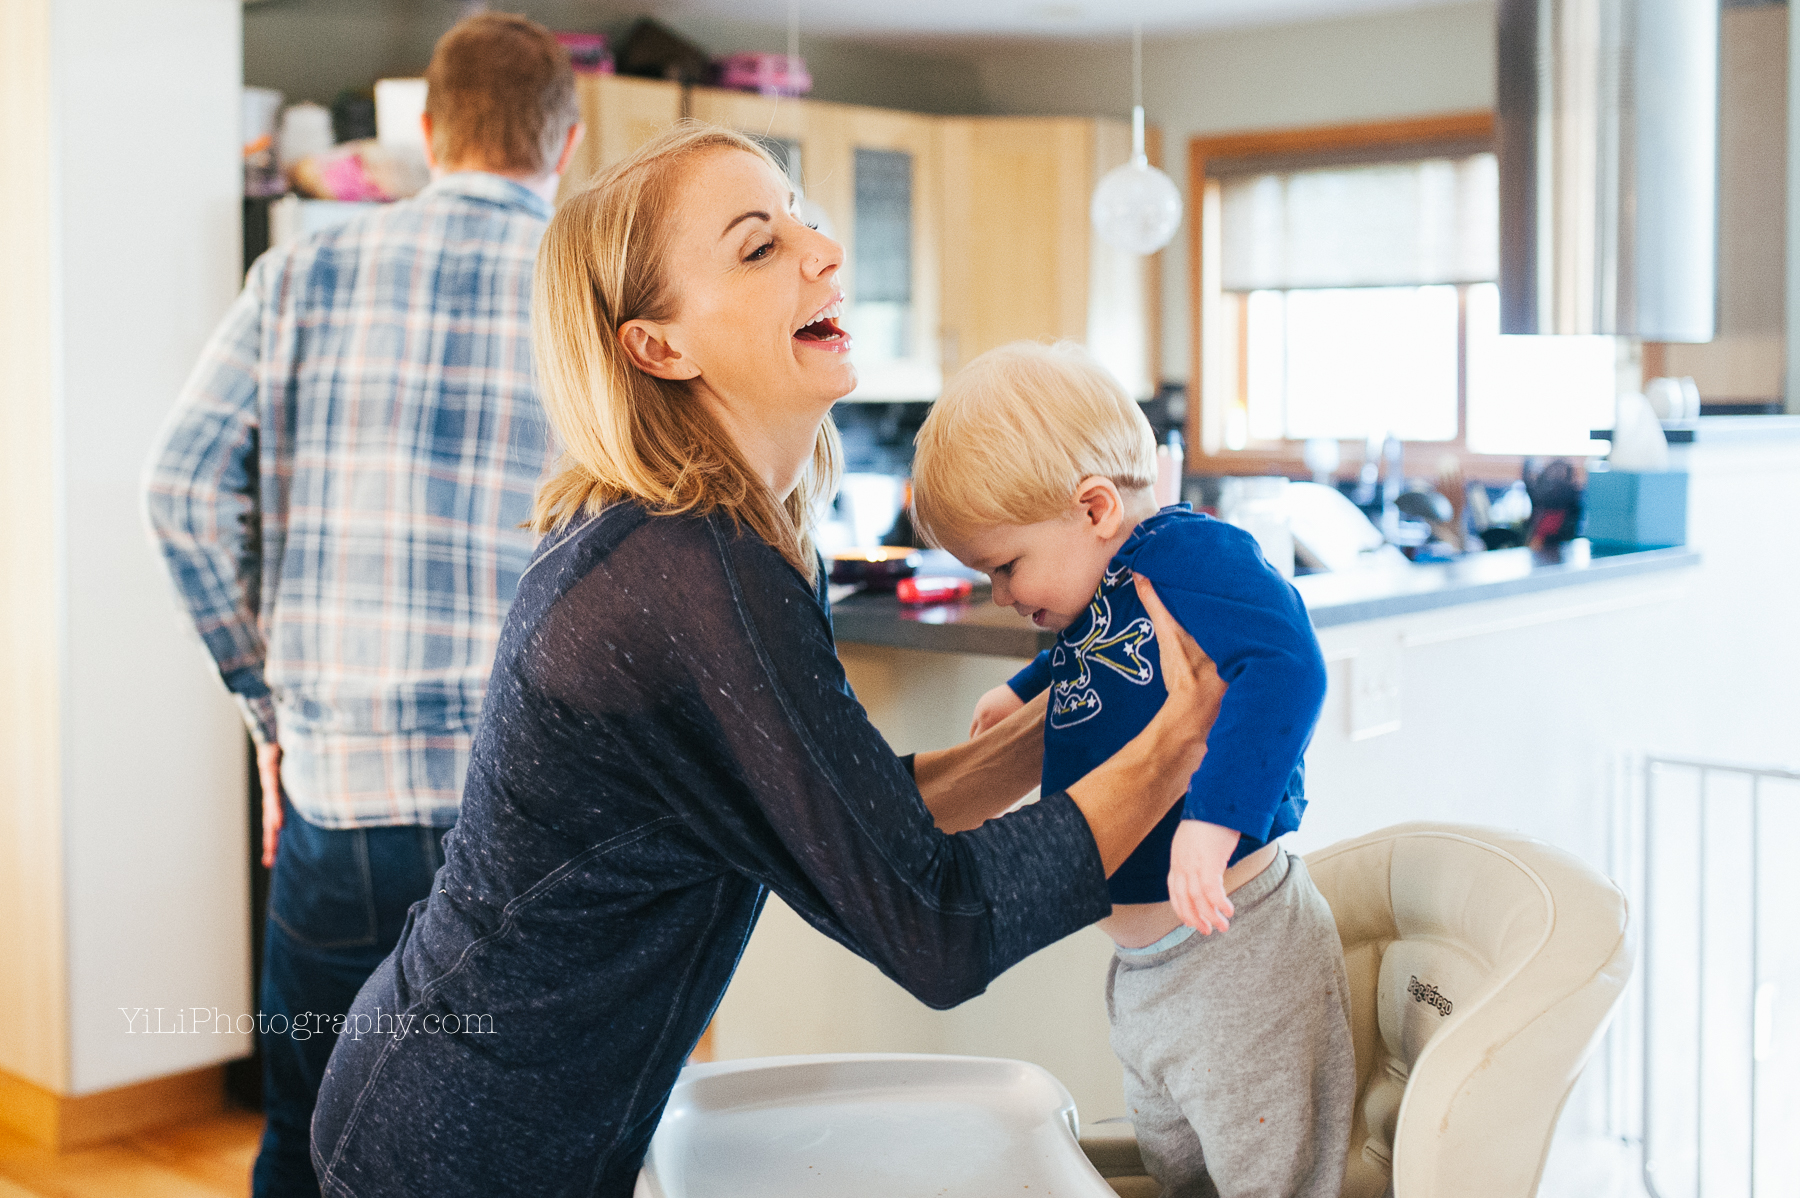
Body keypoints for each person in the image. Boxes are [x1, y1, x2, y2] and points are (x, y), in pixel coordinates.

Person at [307, 123, 1227, 1198]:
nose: (825, 252)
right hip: (460, 1145)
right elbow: (935, 926)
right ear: (658, 346)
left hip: (466, 1110)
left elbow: (855, 825)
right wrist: (1174, 745)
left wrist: (1068, 714)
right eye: (758, 247)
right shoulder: (696, 572)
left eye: (808, 221)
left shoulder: (696, 540)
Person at [142, 15, 583, 1196]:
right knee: (511, 1147)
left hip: (342, 792)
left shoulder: (300, 272)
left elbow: (178, 490)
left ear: (425, 131)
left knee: (312, 1135)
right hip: (527, 808)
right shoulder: (592, 301)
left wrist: (265, 704)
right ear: (569, 144)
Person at [910, 340, 1355, 1198]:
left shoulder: (1192, 558)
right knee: (1179, 1172)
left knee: (1271, 1179)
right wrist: (1024, 687)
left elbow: (1289, 663)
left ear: (1095, 506)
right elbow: (1105, 656)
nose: (1001, 593)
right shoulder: (1104, 585)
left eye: (1005, 565)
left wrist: (1213, 820)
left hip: (1236, 954)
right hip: (1150, 972)